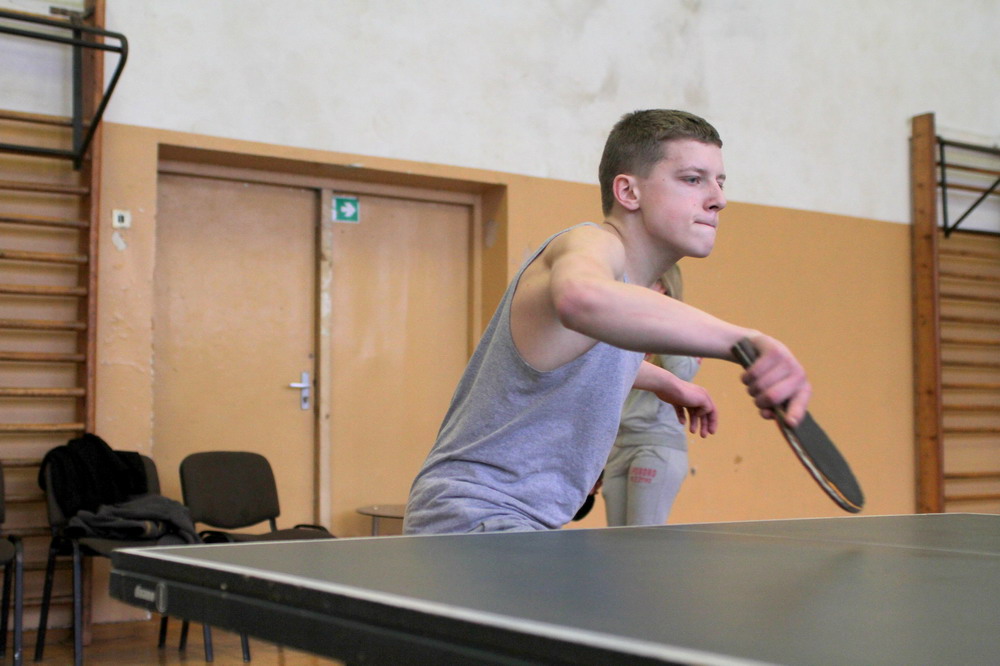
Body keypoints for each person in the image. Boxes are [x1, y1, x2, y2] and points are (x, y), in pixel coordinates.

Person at [403, 109, 810, 535]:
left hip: (508, 522)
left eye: (720, 182)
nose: (718, 199)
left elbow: (584, 352)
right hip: (477, 518)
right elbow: (581, 299)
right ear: (628, 192)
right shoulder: (589, 243)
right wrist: (744, 342)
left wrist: (666, 382)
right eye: (693, 179)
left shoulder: (626, 291)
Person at [602, 265, 699, 526]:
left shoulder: (683, 327)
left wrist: (656, 315)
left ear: (662, 287)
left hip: (656, 445)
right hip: (620, 447)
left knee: (643, 540)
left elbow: (683, 372)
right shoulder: (625, 327)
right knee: (618, 543)